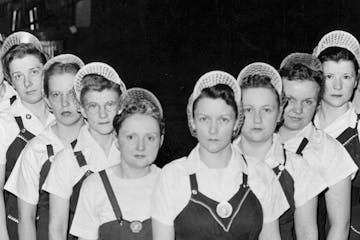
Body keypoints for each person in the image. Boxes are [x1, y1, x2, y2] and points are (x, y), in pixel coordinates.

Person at [152, 70, 289, 240]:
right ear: (193, 121)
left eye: (223, 119)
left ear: (236, 122)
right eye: (204, 119)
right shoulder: (172, 176)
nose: (213, 130)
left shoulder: (261, 173)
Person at [234, 62, 326, 240]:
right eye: (248, 110)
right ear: (237, 113)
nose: (257, 119)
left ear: (279, 113)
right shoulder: (219, 161)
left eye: (267, 110)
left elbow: (307, 233)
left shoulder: (299, 168)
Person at [4, 54, 85, 240]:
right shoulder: (36, 150)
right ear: (47, 100)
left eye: (72, 94)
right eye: (56, 95)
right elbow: (26, 219)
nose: (65, 103)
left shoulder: (100, 141)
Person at [278, 52, 358, 240]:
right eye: (290, 99)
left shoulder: (329, 150)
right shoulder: (260, 138)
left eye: (308, 102)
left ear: (318, 101)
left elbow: (340, 226)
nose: (298, 110)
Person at [42, 62, 127, 240]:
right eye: (94, 106)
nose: (103, 115)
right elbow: (57, 228)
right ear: (82, 109)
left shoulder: (131, 151)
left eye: (109, 104)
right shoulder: (66, 159)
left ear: (120, 107)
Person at [70, 87, 164, 240]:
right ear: (116, 137)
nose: (141, 146)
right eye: (131, 137)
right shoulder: (94, 185)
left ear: (161, 140)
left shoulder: (170, 183)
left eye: (150, 138)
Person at [0, 31, 53, 240]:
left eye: (34, 72)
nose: (28, 83)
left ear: (46, 72)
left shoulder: (65, 116)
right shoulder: (5, 123)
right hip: (19, 229)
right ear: (11, 83)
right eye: (18, 76)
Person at [312, 30, 360, 240]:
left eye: (346, 77)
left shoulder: (357, 130)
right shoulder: (298, 125)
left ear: (356, 81)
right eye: (329, 76)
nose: (338, 86)